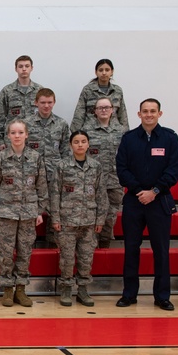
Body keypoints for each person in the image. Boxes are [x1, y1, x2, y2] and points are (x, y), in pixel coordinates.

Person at [115, 98, 178, 311]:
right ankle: (129, 294)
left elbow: (173, 169)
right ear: (139, 114)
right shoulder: (128, 138)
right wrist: (138, 191)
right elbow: (122, 168)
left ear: (160, 114)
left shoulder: (170, 138)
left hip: (159, 201)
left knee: (161, 250)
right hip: (134, 201)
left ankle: (162, 296)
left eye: (153, 111)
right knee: (131, 248)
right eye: (145, 111)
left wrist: (153, 192)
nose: (149, 114)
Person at [0, 119, 48, 308]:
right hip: (6, 213)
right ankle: (7, 289)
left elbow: (42, 186)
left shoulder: (36, 157)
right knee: (6, 253)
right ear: (8, 136)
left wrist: (40, 211)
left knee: (25, 252)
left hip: (28, 213)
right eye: (13, 133)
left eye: (20, 132)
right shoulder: (0, 158)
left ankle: (21, 289)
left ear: (27, 134)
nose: (17, 136)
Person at [49, 130, 108, 307]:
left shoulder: (96, 167)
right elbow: (55, 193)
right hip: (67, 220)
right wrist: (56, 218)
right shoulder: (62, 166)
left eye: (83, 141)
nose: (80, 145)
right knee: (67, 258)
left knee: (86, 257)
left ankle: (82, 289)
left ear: (88, 144)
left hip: (89, 220)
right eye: (76, 142)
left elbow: (101, 194)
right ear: (70, 145)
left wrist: (100, 220)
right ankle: (66, 289)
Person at [19, 88, 70, 246]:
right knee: (31, 208)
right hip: (32, 175)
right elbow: (20, 147)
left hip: (55, 174)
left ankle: (52, 244)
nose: (46, 106)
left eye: (49, 102)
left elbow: (66, 150)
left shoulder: (61, 124)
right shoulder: (26, 123)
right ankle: (29, 245)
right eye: (43, 102)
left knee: (55, 209)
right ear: (36, 103)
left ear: (54, 102)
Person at [87, 97, 125, 248]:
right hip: (93, 181)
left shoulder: (122, 132)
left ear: (112, 110)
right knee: (92, 214)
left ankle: (105, 244)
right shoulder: (87, 131)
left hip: (114, 180)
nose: (103, 110)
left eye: (106, 107)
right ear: (95, 111)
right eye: (100, 108)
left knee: (110, 215)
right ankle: (91, 247)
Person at [0, 55, 44, 143]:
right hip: (12, 141)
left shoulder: (40, 91)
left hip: (35, 140)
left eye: (27, 66)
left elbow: (45, 116)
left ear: (32, 68)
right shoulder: (7, 91)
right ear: (16, 69)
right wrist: (0, 142)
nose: (24, 69)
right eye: (20, 66)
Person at [71, 58, 129, 131]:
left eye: (107, 70)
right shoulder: (88, 90)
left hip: (114, 133)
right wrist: (77, 135)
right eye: (100, 70)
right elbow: (79, 114)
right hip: (91, 132)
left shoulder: (117, 91)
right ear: (96, 72)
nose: (104, 73)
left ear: (112, 72)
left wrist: (126, 134)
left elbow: (122, 115)